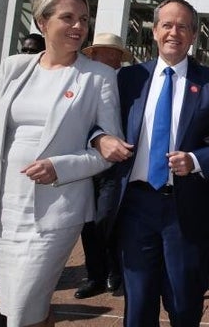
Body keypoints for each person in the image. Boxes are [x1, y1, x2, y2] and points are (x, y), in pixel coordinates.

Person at [0, 0, 122, 327]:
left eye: (83, 19)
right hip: (3, 211)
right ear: (42, 21)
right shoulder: (13, 67)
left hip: (56, 212)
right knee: (24, 309)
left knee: (22, 311)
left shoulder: (100, 77)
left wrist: (60, 167)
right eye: (68, 17)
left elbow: (110, 150)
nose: (79, 26)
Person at [93, 0, 209, 327]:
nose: (175, 32)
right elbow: (96, 122)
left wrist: (197, 160)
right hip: (135, 206)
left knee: (184, 304)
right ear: (155, 30)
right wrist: (100, 139)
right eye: (167, 25)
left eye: (183, 26)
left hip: (185, 209)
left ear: (194, 34)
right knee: (138, 305)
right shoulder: (127, 80)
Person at [0, 33, 45, 303]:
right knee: (0, 232)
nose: (27, 55)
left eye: (33, 50)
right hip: (2, 170)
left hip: (41, 175)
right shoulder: (9, 75)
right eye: (24, 50)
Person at [72, 32, 133, 299]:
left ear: (119, 58)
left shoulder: (131, 84)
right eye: (101, 51)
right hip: (85, 161)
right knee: (88, 221)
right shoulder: (82, 82)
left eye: (112, 52)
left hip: (118, 165)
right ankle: (95, 275)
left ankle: (114, 271)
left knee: (107, 218)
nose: (107, 56)